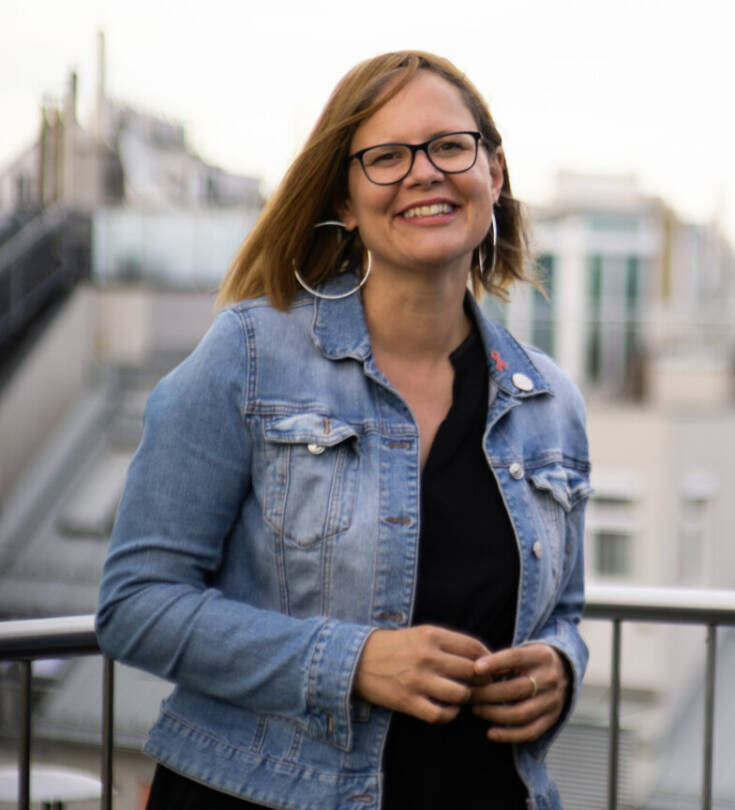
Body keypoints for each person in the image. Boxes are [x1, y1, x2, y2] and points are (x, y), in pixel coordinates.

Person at [96, 51, 590, 810]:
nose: (424, 172)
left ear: (494, 172)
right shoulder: (250, 356)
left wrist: (560, 665)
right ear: (347, 201)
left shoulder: (550, 400)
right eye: (386, 157)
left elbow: (563, 610)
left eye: (450, 147)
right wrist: (350, 662)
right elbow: (135, 604)